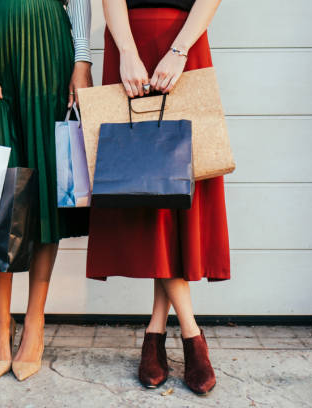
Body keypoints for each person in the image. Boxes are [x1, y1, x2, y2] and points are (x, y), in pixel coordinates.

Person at [87, 0, 228, 395]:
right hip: (128, 40)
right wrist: (127, 53)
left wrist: (180, 50)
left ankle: (154, 332)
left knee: (173, 188)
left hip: (184, 39)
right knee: (144, 185)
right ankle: (190, 332)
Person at [0, 0, 92, 381]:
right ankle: (0, 323)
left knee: (48, 181)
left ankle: (35, 320)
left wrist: (82, 59)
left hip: (50, 43)